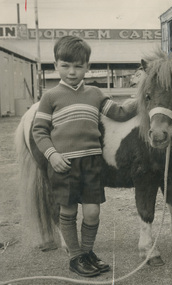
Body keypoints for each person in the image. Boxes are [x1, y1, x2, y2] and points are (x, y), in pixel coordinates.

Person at [32, 35, 137, 277]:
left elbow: (119, 113)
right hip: (63, 164)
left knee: (92, 212)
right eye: (65, 65)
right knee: (68, 212)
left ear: (87, 67)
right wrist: (52, 155)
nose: (72, 72)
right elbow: (40, 131)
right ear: (56, 65)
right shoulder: (49, 97)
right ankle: (75, 256)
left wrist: (141, 100)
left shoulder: (95, 94)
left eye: (78, 66)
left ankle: (87, 252)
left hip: (91, 163)